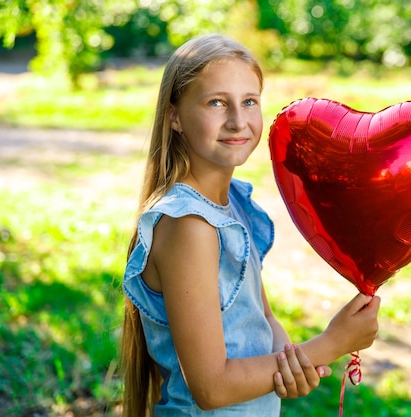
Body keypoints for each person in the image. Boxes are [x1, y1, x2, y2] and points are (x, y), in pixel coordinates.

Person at [120, 33, 381, 417]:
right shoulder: (188, 225)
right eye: (216, 103)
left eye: (249, 102)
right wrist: (329, 345)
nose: (237, 121)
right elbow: (211, 387)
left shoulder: (232, 204)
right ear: (174, 115)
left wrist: (293, 365)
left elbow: (264, 320)